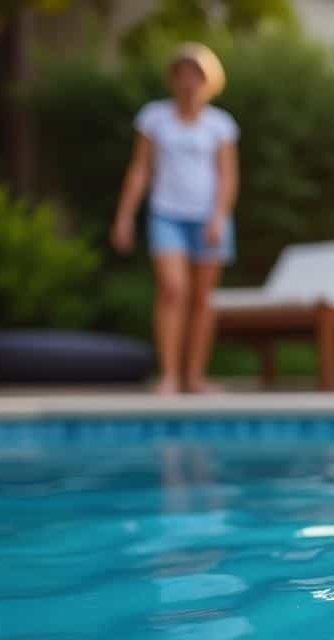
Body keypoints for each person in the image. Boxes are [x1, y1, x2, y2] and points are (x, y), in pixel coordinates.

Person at [112, 42, 238, 395]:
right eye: (182, 73)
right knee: (172, 291)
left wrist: (219, 216)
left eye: (195, 74)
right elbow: (140, 169)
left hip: (209, 219)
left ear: (208, 80)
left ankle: (195, 376)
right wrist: (124, 216)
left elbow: (227, 176)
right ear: (173, 79)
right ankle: (168, 375)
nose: (188, 81)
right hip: (166, 214)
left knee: (202, 298)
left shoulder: (220, 124)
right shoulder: (154, 117)